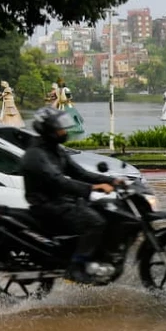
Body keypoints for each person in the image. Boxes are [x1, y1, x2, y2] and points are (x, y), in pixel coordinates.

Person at [21, 108, 119, 283]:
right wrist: (93, 188)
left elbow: (79, 173)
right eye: (60, 129)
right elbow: (59, 181)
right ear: (48, 130)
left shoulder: (55, 150)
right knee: (95, 223)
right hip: (48, 205)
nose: (64, 132)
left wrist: (113, 181)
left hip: (63, 201)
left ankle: (96, 257)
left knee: (105, 211)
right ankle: (76, 267)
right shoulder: (36, 155)